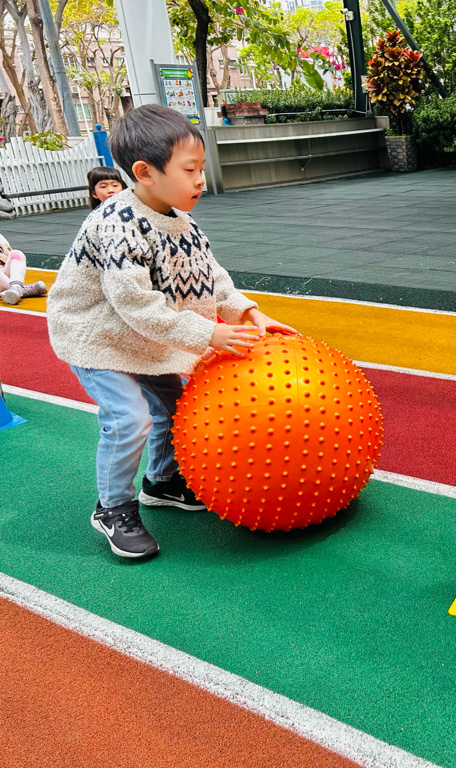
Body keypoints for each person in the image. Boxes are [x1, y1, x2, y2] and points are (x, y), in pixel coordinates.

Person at [47, 104, 296, 560]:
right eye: (190, 170)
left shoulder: (183, 220)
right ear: (145, 172)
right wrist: (208, 335)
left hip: (142, 335)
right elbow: (136, 304)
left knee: (174, 408)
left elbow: (211, 276)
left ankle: (160, 483)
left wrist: (249, 312)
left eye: (201, 168)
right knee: (129, 418)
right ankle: (113, 508)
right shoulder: (116, 224)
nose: (201, 179)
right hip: (96, 335)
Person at [0, 235, 47, 305]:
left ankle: (16, 287)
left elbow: (8, 251)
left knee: (16, 253)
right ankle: (25, 290)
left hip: (3, 278)